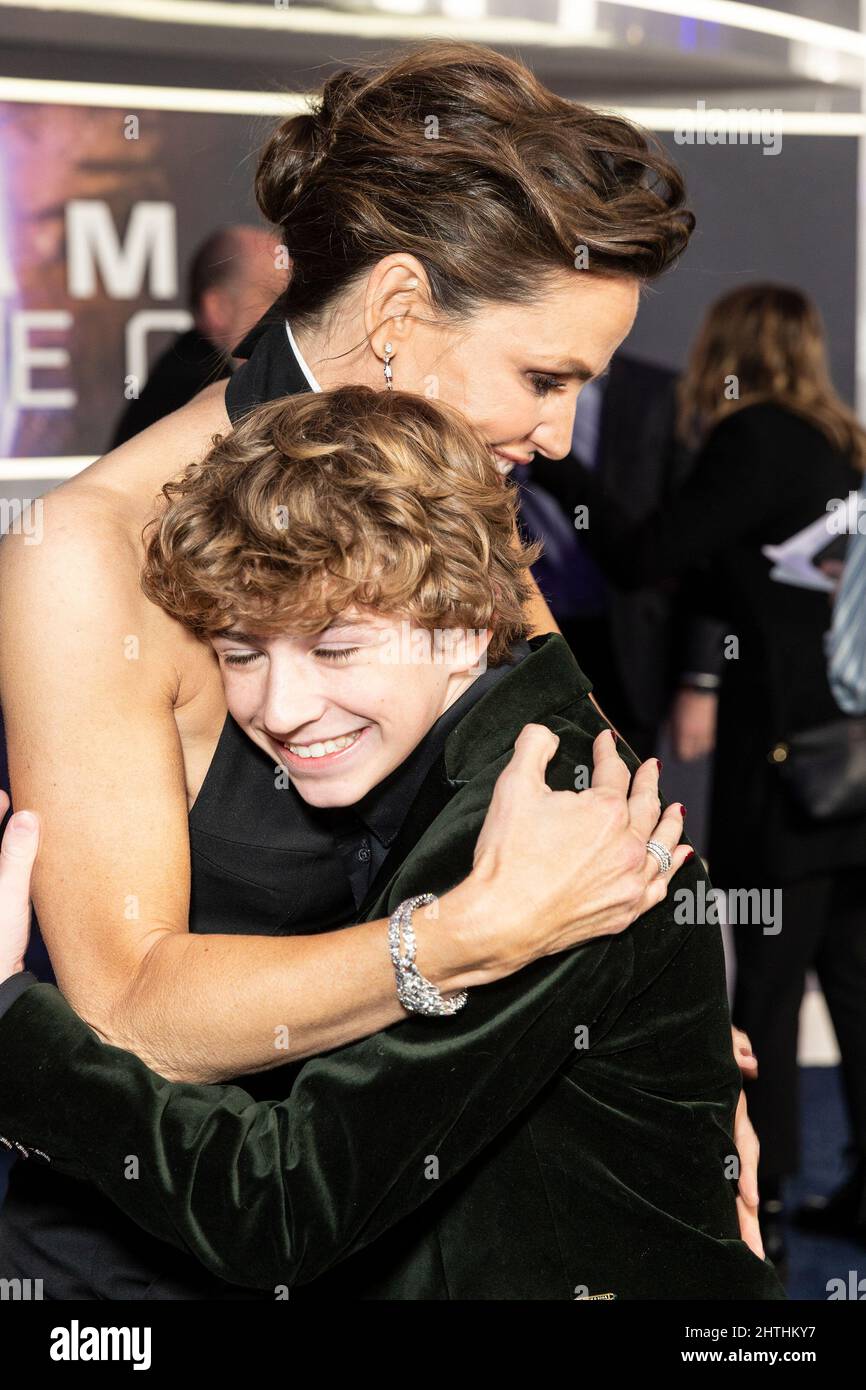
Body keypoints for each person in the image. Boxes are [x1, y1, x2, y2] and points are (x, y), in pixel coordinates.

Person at [0, 41, 760, 1298]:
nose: (561, 432)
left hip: (393, 1208)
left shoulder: (451, 499)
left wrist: (669, 1096)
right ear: (400, 314)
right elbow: (130, 1011)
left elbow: (608, 820)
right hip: (160, 1251)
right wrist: (453, 943)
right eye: (541, 375)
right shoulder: (91, 555)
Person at [565, 282, 866, 1266]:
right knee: (851, 977)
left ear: (727, 348)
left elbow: (647, 555)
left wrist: (562, 468)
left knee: (768, 986)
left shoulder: (754, 440)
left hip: (784, 769)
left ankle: (761, 1197)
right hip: (847, 764)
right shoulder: (841, 445)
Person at [108, 226, 285, 448]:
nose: (293, 313)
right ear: (219, 308)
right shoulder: (196, 392)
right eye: (273, 297)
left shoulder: (186, 374)